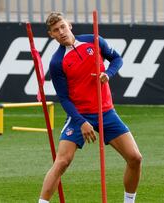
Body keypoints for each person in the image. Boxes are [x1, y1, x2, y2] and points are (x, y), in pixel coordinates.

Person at [38, 12, 142, 203]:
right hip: (79, 115)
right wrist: (81, 122)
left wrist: (108, 74)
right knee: (62, 162)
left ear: (69, 25)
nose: (61, 32)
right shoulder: (56, 62)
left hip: (106, 111)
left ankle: (129, 201)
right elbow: (64, 99)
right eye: (55, 30)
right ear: (51, 35)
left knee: (135, 158)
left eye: (62, 26)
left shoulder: (95, 40)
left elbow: (117, 59)